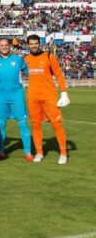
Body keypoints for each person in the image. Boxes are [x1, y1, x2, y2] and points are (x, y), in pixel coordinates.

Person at [24, 34, 70, 164]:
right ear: (28, 45)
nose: (33, 45)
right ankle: (39, 153)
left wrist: (64, 93)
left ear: (40, 43)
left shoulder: (49, 56)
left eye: (36, 43)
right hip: (33, 97)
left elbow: (59, 75)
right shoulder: (25, 58)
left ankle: (63, 153)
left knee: (56, 124)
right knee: (36, 125)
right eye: (31, 43)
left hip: (49, 96)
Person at [0, 38, 32, 161]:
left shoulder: (18, 59)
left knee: (22, 123)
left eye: (6, 45)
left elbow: (29, 71)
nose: (4, 47)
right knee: (0, 124)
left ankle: (28, 152)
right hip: (1, 98)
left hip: (17, 97)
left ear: (10, 46)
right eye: (2, 45)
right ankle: (1, 150)